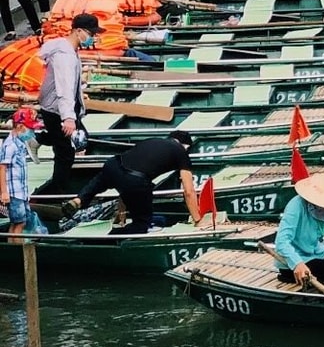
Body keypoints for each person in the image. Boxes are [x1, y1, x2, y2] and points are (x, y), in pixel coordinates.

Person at [66, 131, 196, 235]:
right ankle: (111, 236)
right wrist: (198, 220)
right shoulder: (180, 152)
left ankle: (78, 200)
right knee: (140, 225)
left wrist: (122, 211)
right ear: (186, 146)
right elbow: (189, 191)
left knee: (96, 185)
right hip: (135, 180)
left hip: (113, 165)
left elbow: (128, 170)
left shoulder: (152, 141)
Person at [34, 12, 95, 194]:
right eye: (91, 34)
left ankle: (38, 139)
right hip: (57, 109)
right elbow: (64, 88)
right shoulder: (65, 56)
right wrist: (68, 117)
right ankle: (58, 194)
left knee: (81, 139)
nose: (93, 38)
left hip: (63, 107)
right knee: (65, 153)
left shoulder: (70, 50)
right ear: (78, 31)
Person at [3, 107, 46, 234]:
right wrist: (4, 192)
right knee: (20, 222)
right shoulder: (9, 145)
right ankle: (17, 250)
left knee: (18, 222)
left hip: (20, 191)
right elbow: (2, 167)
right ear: (21, 127)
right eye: (30, 128)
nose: (32, 132)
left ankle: (14, 247)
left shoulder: (20, 144)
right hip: (14, 192)